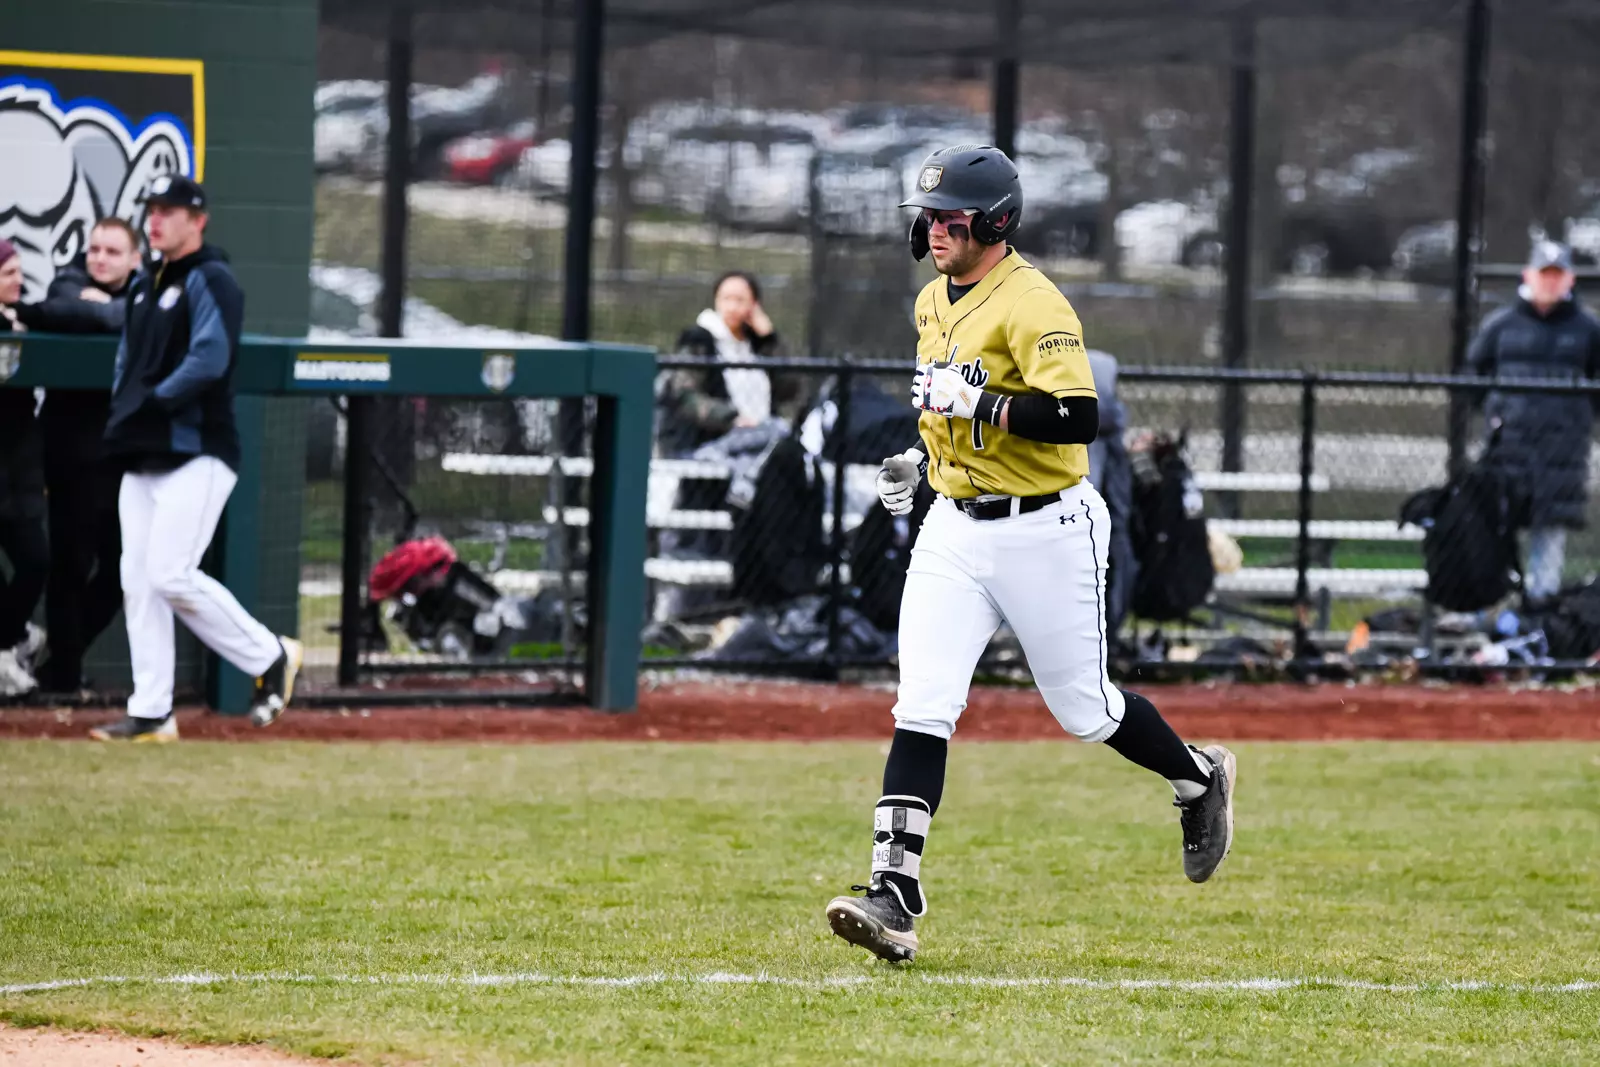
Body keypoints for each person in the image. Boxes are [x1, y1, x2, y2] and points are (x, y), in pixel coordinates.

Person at [824, 145, 1237, 963]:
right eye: (929, 217)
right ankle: (893, 892)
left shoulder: (1035, 302)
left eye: (950, 218)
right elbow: (944, 407)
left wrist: (977, 401)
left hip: (1046, 526)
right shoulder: (931, 302)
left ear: (995, 221)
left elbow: (1076, 417)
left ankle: (1198, 776)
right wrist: (920, 454)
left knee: (1084, 707)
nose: (934, 230)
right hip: (955, 522)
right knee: (924, 702)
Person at [88, 176, 302, 742]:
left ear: (198, 220)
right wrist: (127, 407)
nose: (157, 220)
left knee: (170, 573)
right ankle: (152, 710)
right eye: (153, 211)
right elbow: (125, 360)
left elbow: (210, 357)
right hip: (142, 451)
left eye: (170, 211)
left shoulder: (213, 278)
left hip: (198, 448)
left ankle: (271, 654)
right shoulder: (142, 285)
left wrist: (155, 401)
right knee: (138, 578)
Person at [16, 218, 142, 692]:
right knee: (70, 565)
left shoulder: (148, 289)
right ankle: (63, 677)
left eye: (113, 251)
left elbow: (124, 317)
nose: (100, 259)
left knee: (122, 570)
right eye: (95, 250)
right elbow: (62, 311)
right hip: (69, 453)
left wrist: (114, 309)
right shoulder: (69, 280)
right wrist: (115, 311)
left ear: (135, 258)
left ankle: (58, 661)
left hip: (126, 457)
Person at [1467, 239, 1600, 603]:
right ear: (1529, 275)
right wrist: (1499, 413)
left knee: (1549, 541)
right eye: (1545, 274)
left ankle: (1541, 624)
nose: (1551, 283)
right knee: (1493, 535)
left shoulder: (1588, 329)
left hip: (1562, 458)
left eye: (1559, 276)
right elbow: (1472, 377)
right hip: (1507, 452)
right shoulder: (1500, 325)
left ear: (1570, 280)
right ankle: (1482, 617)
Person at [657, 271, 782, 456]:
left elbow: (789, 388)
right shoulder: (699, 340)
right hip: (707, 445)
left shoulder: (756, 344)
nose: (732, 306)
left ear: (754, 305)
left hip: (757, 441)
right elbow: (684, 395)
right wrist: (731, 418)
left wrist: (769, 340)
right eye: (726, 298)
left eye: (740, 300)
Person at [0, 238, 49, 695]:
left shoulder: (29, 319)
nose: (16, 280)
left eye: (17, 271)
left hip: (22, 471)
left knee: (35, 562)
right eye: (6, 273)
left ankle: (11, 638)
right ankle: (8, 645)